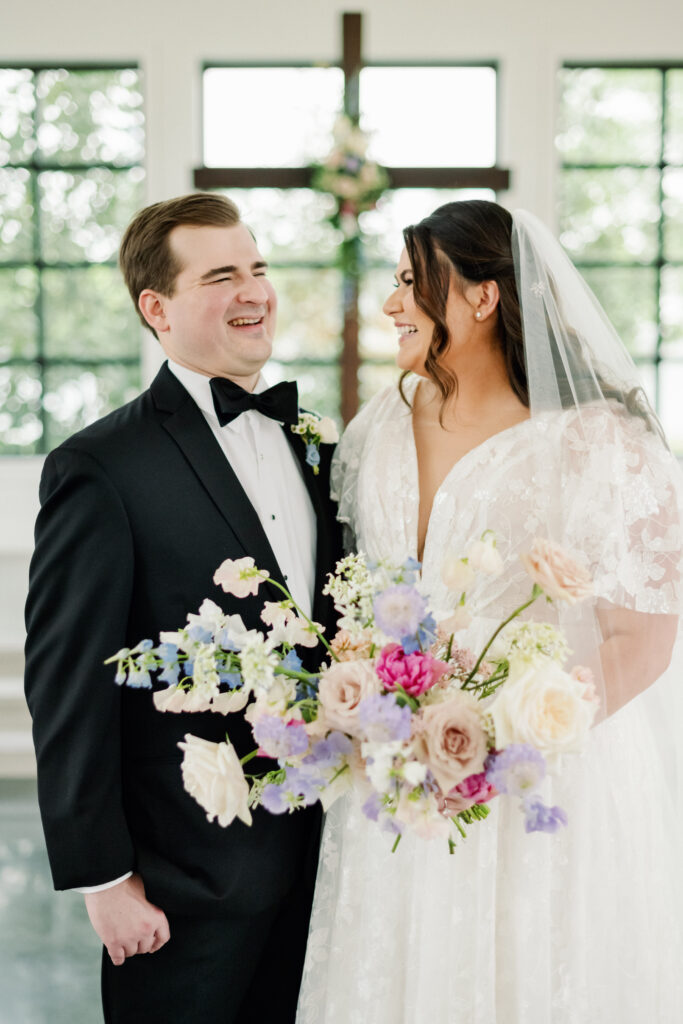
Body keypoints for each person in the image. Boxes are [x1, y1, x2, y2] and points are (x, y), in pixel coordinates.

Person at [296, 200, 683, 1023]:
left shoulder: (599, 444)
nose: (392, 304)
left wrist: (498, 733)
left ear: (482, 297)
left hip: (537, 783)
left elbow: (642, 640)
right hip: (398, 781)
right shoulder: (378, 431)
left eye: (412, 283)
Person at [24, 192, 341, 1024]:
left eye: (260, 268)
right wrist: (104, 880)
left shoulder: (313, 441)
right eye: (222, 275)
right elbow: (67, 685)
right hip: (183, 889)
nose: (254, 292)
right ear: (155, 308)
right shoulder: (99, 466)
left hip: (326, 874)